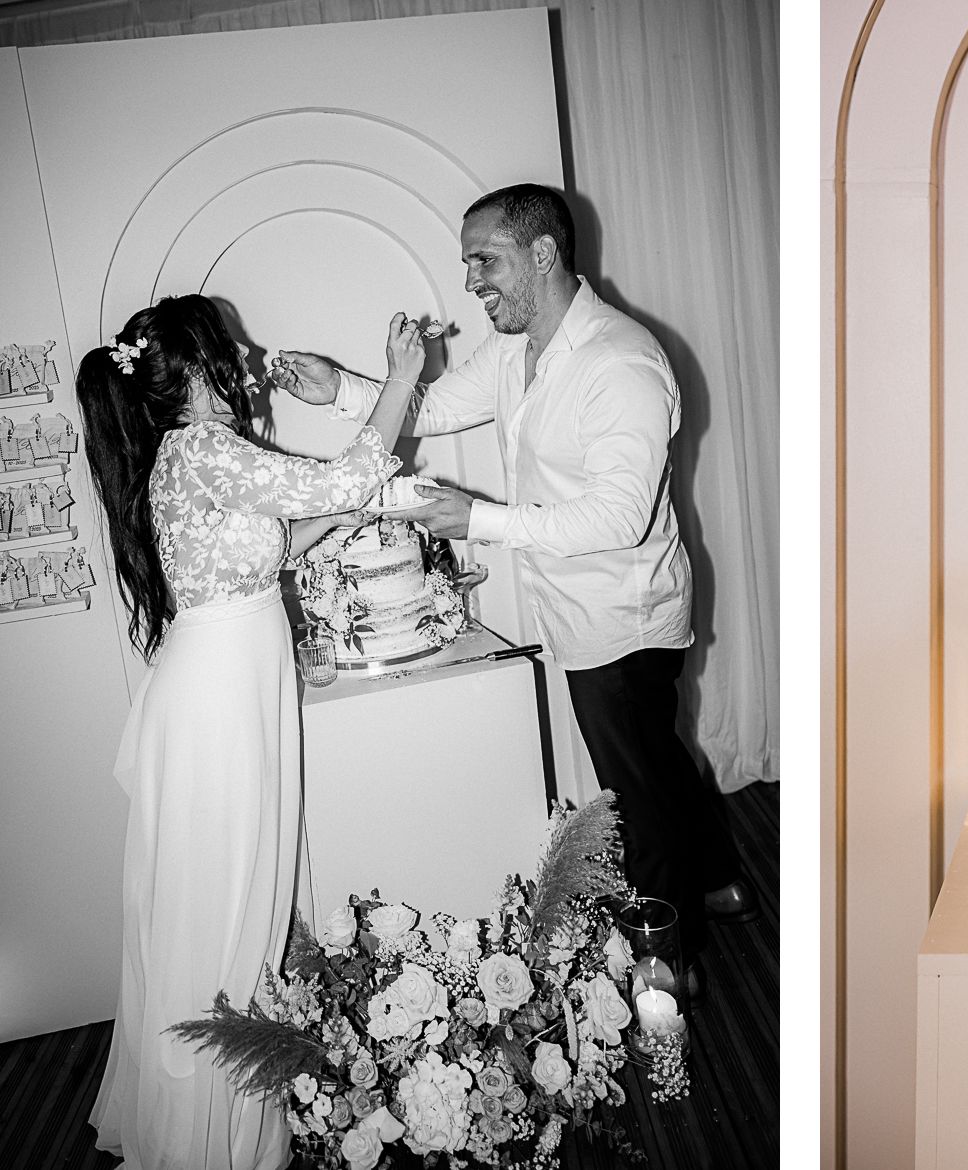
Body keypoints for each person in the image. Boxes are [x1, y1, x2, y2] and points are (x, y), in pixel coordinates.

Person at [275, 183, 755, 967]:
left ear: (543, 253)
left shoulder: (622, 362)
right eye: (468, 263)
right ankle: (720, 877)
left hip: (622, 615)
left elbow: (619, 520)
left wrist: (479, 520)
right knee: (655, 755)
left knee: (633, 794)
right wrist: (339, 390)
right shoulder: (513, 350)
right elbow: (432, 409)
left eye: (484, 260)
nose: (470, 281)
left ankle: (667, 963)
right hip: (575, 603)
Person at [79, 294, 423, 1168]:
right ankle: (212, 1136)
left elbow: (261, 550)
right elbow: (345, 476)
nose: (243, 358)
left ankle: (227, 1115)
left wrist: (333, 522)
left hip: (229, 691)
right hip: (219, 705)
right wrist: (402, 379)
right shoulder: (202, 448)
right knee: (225, 907)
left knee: (231, 899)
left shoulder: (193, 456)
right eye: (228, 347)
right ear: (197, 368)